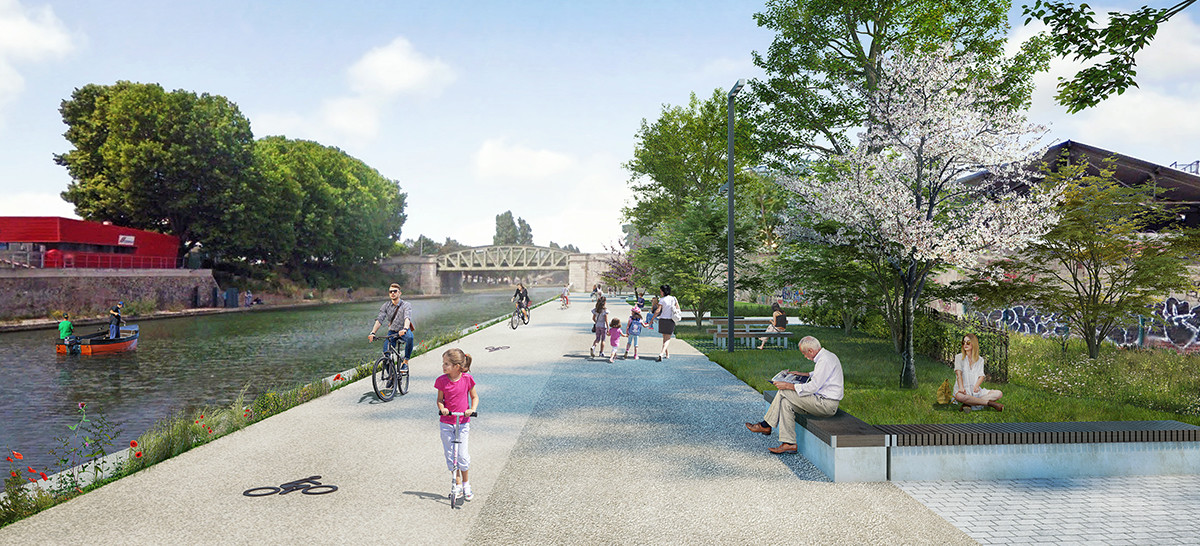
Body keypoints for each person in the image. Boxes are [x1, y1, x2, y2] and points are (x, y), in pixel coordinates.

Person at [744, 336, 844, 454]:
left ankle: (766, 425)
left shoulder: (824, 360)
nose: (805, 356)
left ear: (811, 351)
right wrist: (805, 374)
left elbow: (813, 387)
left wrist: (788, 386)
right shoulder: (827, 356)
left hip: (825, 405)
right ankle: (789, 443)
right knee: (786, 403)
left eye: (804, 354)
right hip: (820, 401)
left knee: (784, 391)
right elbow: (822, 374)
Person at [435, 348, 479, 502]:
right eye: (443, 363)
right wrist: (443, 409)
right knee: (451, 455)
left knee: (462, 455)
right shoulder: (441, 380)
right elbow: (440, 400)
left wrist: (472, 410)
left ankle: (466, 483)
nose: (443, 366)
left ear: (457, 366)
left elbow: (474, 397)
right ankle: (457, 483)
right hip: (446, 423)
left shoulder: (467, 379)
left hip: (463, 423)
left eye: (447, 364)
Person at [368, 283, 415, 367]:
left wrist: (404, 329)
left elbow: (407, 318)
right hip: (392, 332)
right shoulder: (386, 305)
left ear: (399, 293)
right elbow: (379, 320)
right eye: (390, 292)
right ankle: (392, 377)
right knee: (386, 355)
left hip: (403, 330)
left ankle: (405, 361)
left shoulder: (406, 305)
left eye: (395, 291)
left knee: (410, 337)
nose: (392, 293)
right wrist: (373, 332)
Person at [954, 333, 1004, 412]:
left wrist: (977, 386)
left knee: (999, 393)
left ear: (973, 343)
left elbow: (981, 375)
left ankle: (968, 404)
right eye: (963, 342)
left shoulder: (980, 360)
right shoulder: (959, 357)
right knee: (960, 396)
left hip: (975, 390)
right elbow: (958, 374)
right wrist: (961, 387)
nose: (965, 344)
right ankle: (991, 404)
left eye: (968, 342)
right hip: (963, 389)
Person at [645, 285, 680, 362]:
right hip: (670, 320)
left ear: (664, 291)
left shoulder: (662, 300)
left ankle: (666, 354)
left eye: (661, 291)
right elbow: (678, 309)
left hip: (662, 320)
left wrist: (652, 319)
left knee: (665, 339)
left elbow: (657, 311)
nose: (660, 292)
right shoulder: (674, 298)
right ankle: (661, 353)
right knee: (667, 339)